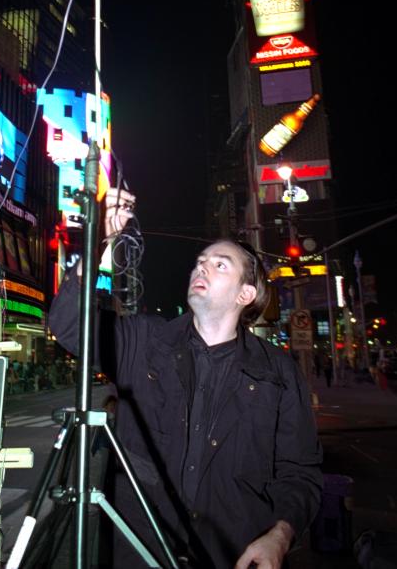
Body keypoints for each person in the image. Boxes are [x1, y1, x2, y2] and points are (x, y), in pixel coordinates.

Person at [49, 188, 322, 568]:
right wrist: (99, 239)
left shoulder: (278, 373)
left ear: (246, 294)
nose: (202, 268)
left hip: (233, 555)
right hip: (141, 552)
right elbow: (67, 324)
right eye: (200, 262)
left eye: (220, 265)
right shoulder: (144, 341)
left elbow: (300, 472)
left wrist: (280, 535)